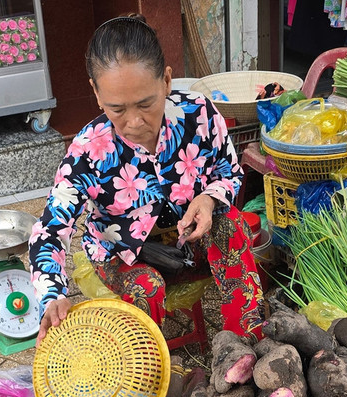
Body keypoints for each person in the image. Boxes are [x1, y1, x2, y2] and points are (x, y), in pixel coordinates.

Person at [27, 14, 265, 342]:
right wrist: (52, 295)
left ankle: (246, 350)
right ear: (96, 93)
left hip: (189, 244)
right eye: (117, 109)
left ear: (166, 81)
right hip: (124, 258)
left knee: (231, 227)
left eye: (145, 104)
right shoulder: (89, 150)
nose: (135, 122)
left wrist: (208, 199)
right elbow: (49, 231)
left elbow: (229, 171)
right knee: (146, 287)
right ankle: (145, 368)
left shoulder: (198, 115)